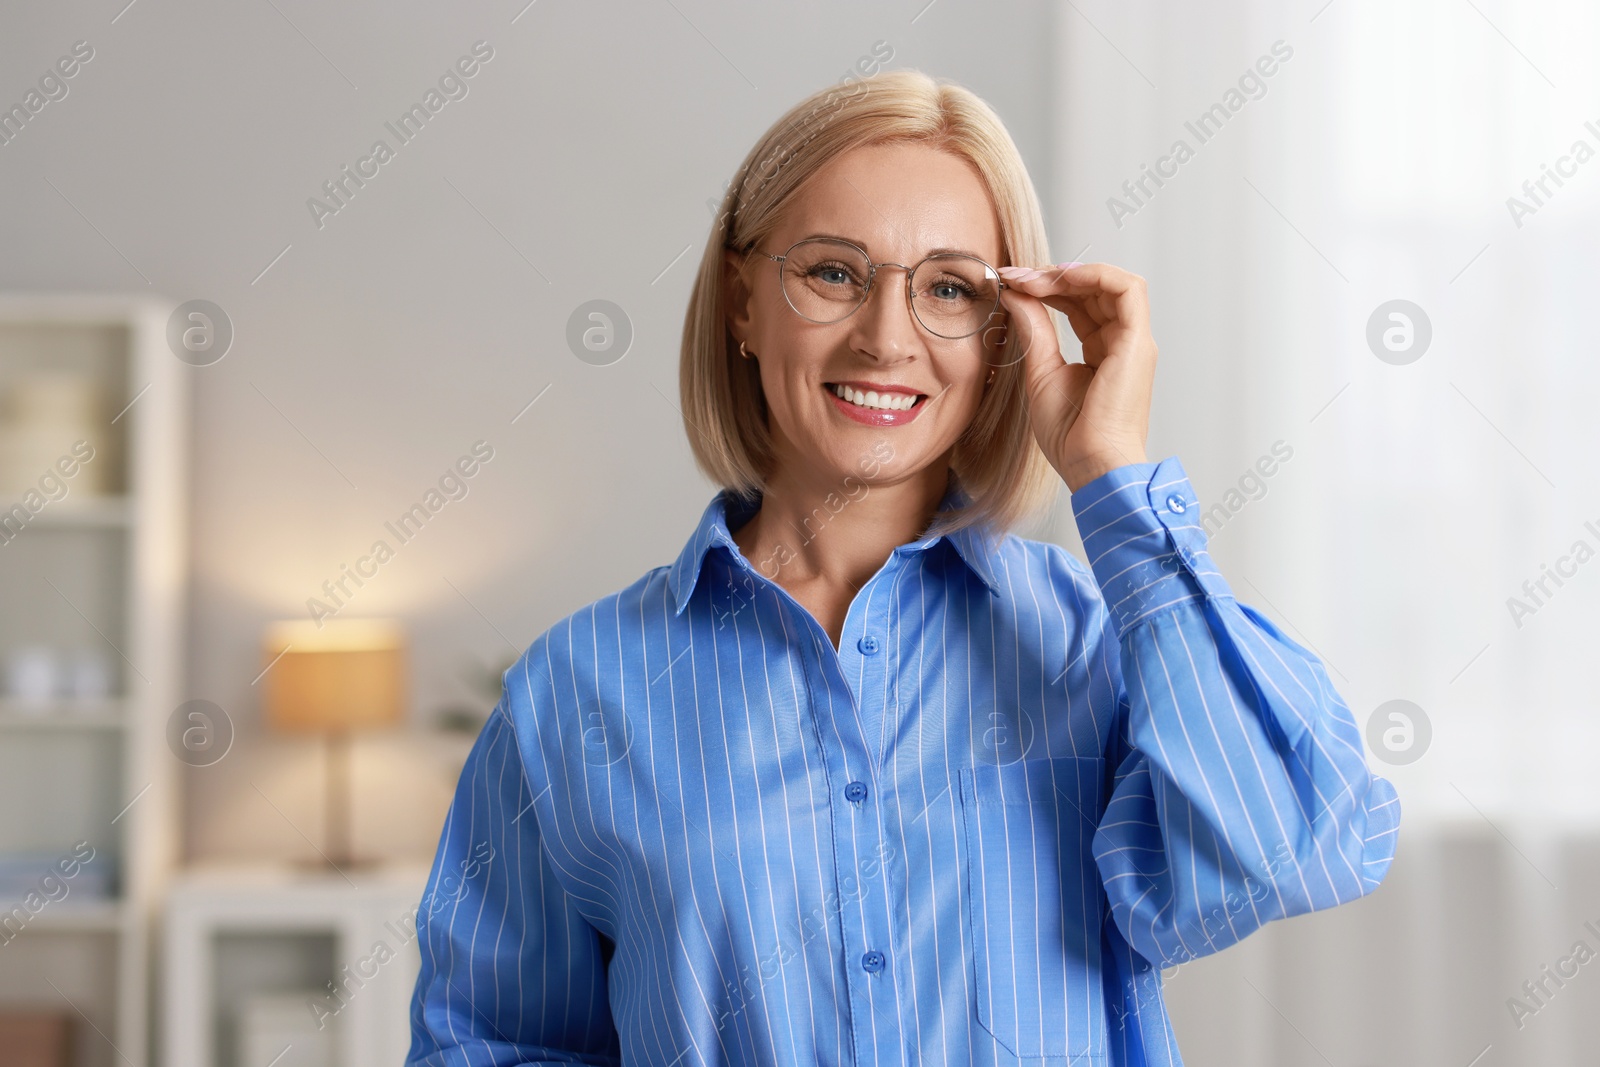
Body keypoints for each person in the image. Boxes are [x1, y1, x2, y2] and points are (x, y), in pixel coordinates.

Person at [406, 69, 1399, 1067]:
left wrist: (1112, 476)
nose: (887, 338)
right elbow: (487, 1044)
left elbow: (1296, 848)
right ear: (743, 302)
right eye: (834, 272)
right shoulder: (576, 690)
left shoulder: (1095, 642)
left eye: (951, 288)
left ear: (1006, 333)